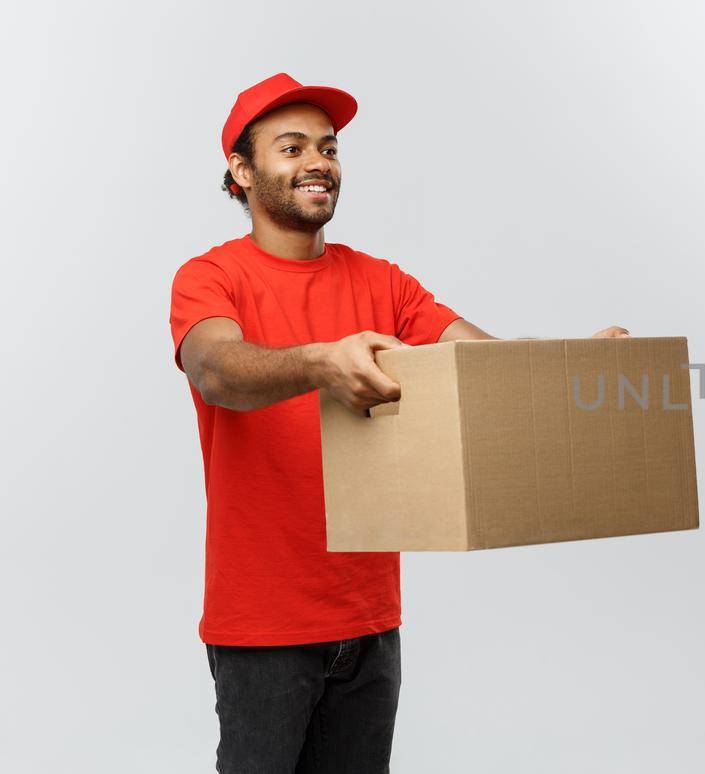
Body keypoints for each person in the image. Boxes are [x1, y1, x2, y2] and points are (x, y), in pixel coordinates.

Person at [169, 72, 628, 773]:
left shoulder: (381, 281)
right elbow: (217, 370)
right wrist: (322, 362)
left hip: (370, 621)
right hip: (263, 628)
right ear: (241, 169)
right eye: (291, 148)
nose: (318, 162)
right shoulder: (210, 278)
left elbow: (484, 363)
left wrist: (569, 367)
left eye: (328, 147)